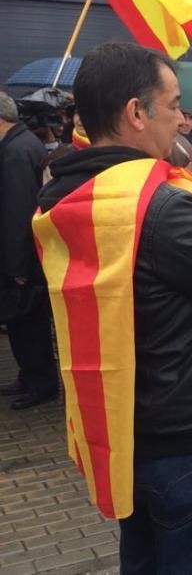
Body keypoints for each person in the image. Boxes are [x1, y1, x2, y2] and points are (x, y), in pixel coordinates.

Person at [34, 42, 192, 573]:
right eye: (172, 105)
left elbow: (157, 258)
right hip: (188, 441)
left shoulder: (70, 193)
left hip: (126, 426)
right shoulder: (163, 207)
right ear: (135, 112)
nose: (182, 119)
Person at [0, 91, 59, 410]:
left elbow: (18, 212)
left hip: (24, 258)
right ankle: (28, 376)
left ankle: (41, 382)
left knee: (29, 324)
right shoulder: (19, 145)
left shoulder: (16, 151)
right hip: (23, 255)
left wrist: (17, 266)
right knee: (21, 324)